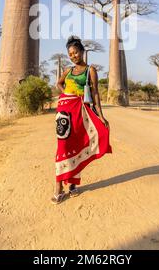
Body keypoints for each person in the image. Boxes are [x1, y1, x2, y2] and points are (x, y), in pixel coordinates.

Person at [51, 35, 112, 204]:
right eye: (70, 54)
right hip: (64, 113)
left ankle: (72, 185)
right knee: (62, 146)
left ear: (82, 52)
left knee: (77, 145)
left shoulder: (90, 70)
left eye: (75, 53)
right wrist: (65, 94)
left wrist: (100, 115)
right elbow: (59, 83)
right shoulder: (68, 71)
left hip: (80, 112)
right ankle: (58, 188)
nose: (73, 56)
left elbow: (95, 93)